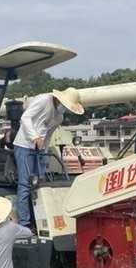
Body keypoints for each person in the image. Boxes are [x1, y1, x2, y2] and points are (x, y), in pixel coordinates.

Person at [11, 87, 84, 228]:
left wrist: (44, 146)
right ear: (60, 99)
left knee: (40, 184)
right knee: (26, 184)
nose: (66, 108)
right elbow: (25, 118)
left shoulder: (59, 117)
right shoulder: (44, 100)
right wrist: (35, 137)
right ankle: (25, 225)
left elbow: (49, 134)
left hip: (40, 149)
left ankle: (41, 222)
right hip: (24, 145)